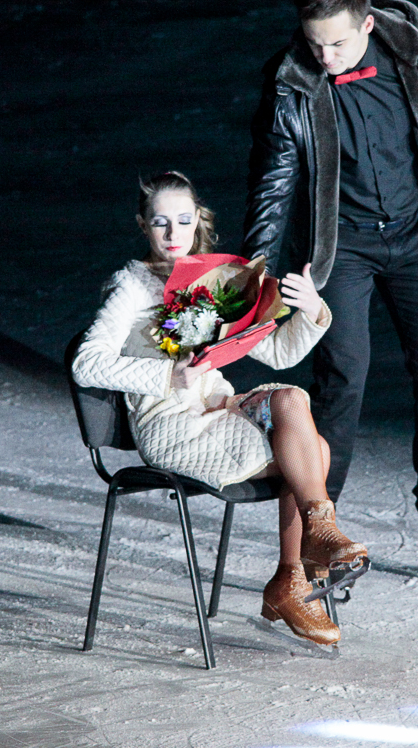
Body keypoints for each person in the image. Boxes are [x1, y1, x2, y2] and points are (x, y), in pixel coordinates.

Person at [242, 0, 418, 576]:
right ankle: (322, 530)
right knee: (342, 382)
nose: (325, 57)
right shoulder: (291, 83)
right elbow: (274, 179)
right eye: (314, 44)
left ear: (367, 23)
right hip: (339, 250)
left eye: (338, 43)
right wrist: (254, 270)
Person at [72, 170, 367, 646]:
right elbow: (86, 364)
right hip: (171, 426)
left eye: (183, 220)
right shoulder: (133, 287)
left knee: (292, 401)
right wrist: (167, 376)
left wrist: (313, 311)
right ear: (144, 225)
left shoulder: (212, 281)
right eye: (160, 222)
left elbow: (279, 354)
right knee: (313, 452)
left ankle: (309, 547)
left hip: (218, 410)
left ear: (198, 221)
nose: (173, 233)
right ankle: (294, 576)